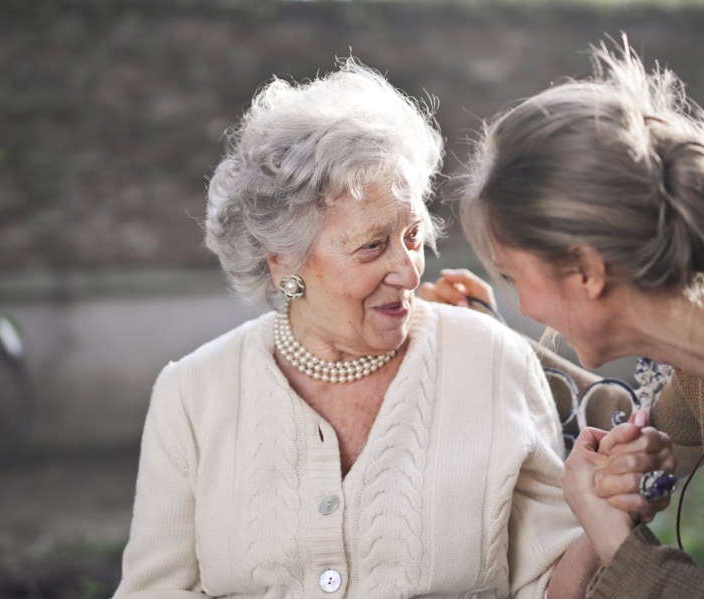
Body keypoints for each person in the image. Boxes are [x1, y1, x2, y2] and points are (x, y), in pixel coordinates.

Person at [113, 59, 601, 598]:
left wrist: (607, 513)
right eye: (372, 246)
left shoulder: (491, 360)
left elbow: (551, 584)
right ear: (283, 262)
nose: (410, 269)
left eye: (413, 235)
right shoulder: (192, 394)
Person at [433, 39, 704, 598]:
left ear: (587, 271)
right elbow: (651, 430)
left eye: (514, 278)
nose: (527, 309)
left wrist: (621, 547)